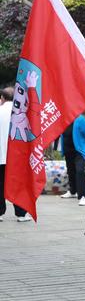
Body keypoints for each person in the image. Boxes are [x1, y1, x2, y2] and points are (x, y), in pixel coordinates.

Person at [0, 87, 31, 222]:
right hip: (17, 157)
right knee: (18, 185)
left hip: (0, 156)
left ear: (2, 98)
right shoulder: (22, 112)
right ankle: (21, 213)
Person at [60, 114, 85, 206]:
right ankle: (73, 191)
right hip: (68, 150)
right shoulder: (64, 118)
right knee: (71, 171)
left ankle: (83, 196)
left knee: (80, 171)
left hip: (79, 151)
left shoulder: (80, 119)